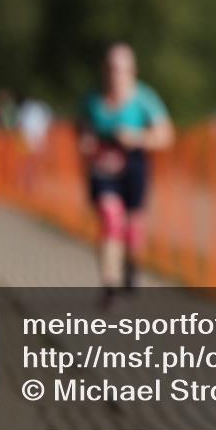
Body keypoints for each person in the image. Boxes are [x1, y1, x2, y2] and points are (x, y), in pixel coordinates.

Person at [78, 43, 175, 309]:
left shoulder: (145, 99)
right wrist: (89, 145)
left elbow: (166, 136)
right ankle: (109, 284)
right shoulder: (92, 100)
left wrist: (137, 138)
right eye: (111, 69)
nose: (115, 75)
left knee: (133, 228)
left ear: (132, 71)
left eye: (121, 69)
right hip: (102, 167)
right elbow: (82, 131)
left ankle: (131, 266)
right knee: (111, 219)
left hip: (134, 164)